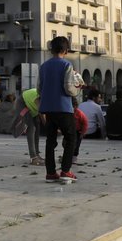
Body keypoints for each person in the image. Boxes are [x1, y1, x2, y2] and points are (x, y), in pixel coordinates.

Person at [38, 36, 84, 184]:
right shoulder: (67, 65)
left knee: (50, 141)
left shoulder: (44, 66)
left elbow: (39, 88)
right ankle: (66, 170)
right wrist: (78, 88)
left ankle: (50, 173)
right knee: (71, 138)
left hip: (48, 108)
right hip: (64, 108)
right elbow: (69, 88)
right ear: (66, 50)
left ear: (51, 49)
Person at [19, 88, 44, 165]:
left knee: (37, 127)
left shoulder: (51, 97)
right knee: (31, 128)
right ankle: (33, 158)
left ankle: (37, 154)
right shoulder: (40, 97)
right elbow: (41, 112)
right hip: (23, 103)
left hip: (32, 108)